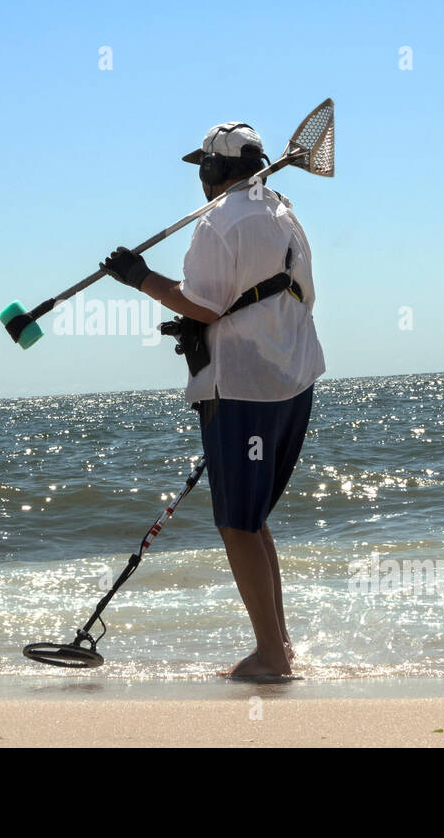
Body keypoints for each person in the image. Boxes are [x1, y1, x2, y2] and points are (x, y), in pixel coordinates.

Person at [100, 121, 325, 678]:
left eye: (203, 165)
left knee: (238, 524)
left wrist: (140, 277)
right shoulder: (281, 209)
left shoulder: (219, 221)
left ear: (218, 169)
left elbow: (203, 303)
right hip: (294, 380)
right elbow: (253, 299)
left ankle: (272, 657)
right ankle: (280, 647)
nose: (199, 176)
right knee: (252, 519)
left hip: (244, 388)